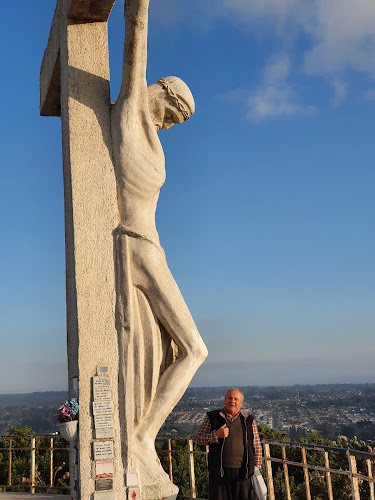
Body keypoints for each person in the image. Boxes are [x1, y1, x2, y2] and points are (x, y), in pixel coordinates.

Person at [110, 0, 208, 494]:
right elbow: (135, 40)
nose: (172, 123)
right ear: (161, 92)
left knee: (179, 348)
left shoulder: (152, 137)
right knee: (196, 348)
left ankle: (140, 438)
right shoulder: (129, 113)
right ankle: (142, 439)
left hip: (151, 248)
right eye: (176, 113)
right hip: (137, 245)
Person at [196, 388, 262, 500]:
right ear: (225, 401)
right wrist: (216, 435)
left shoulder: (248, 420)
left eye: (236, 399)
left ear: (241, 403)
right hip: (219, 473)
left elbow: (256, 446)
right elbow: (199, 439)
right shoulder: (212, 418)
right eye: (229, 398)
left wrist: (256, 469)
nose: (232, 401)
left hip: (243, 473)